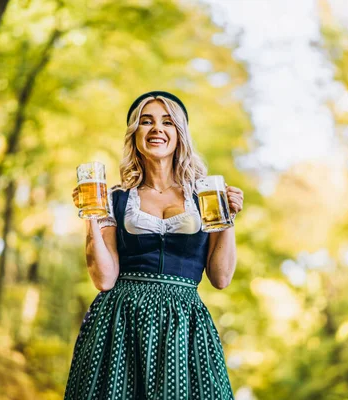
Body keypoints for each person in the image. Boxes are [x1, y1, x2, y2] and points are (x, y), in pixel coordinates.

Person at [66, 91, 244, 399]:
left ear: (180, 134)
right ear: (135, 134)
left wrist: (229, 219)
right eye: (146, 122)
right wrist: (91, 215)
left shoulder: (205, 196)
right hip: (120, 321)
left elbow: (221, 278)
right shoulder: (116, 198)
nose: (156, 129)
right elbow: (104, 278)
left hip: (183, 322)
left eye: (167, 122)